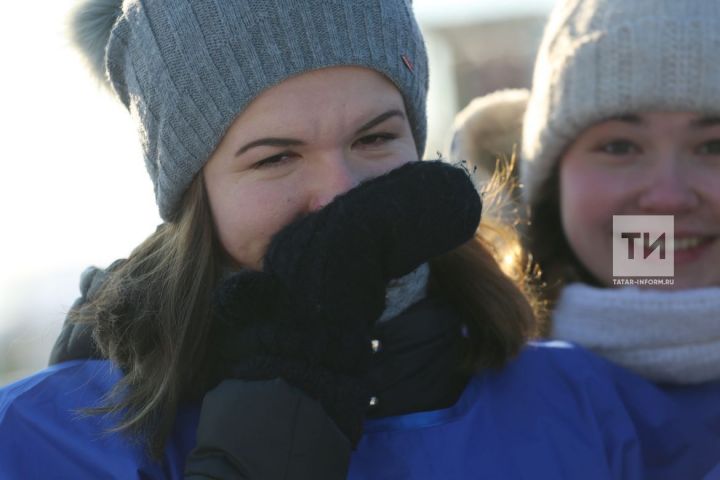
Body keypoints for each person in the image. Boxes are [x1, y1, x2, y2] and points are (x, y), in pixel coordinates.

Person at [0, 0, 694, 479]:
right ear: (195, 196)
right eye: (275, 157)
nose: (341, 193)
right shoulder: (48, 438)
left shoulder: (591, 405)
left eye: (375, 137)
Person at [449, 0, 720, 478]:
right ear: (550, 183)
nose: (667, 199)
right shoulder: (436, 388)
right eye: (619, 146)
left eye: (713, 146)